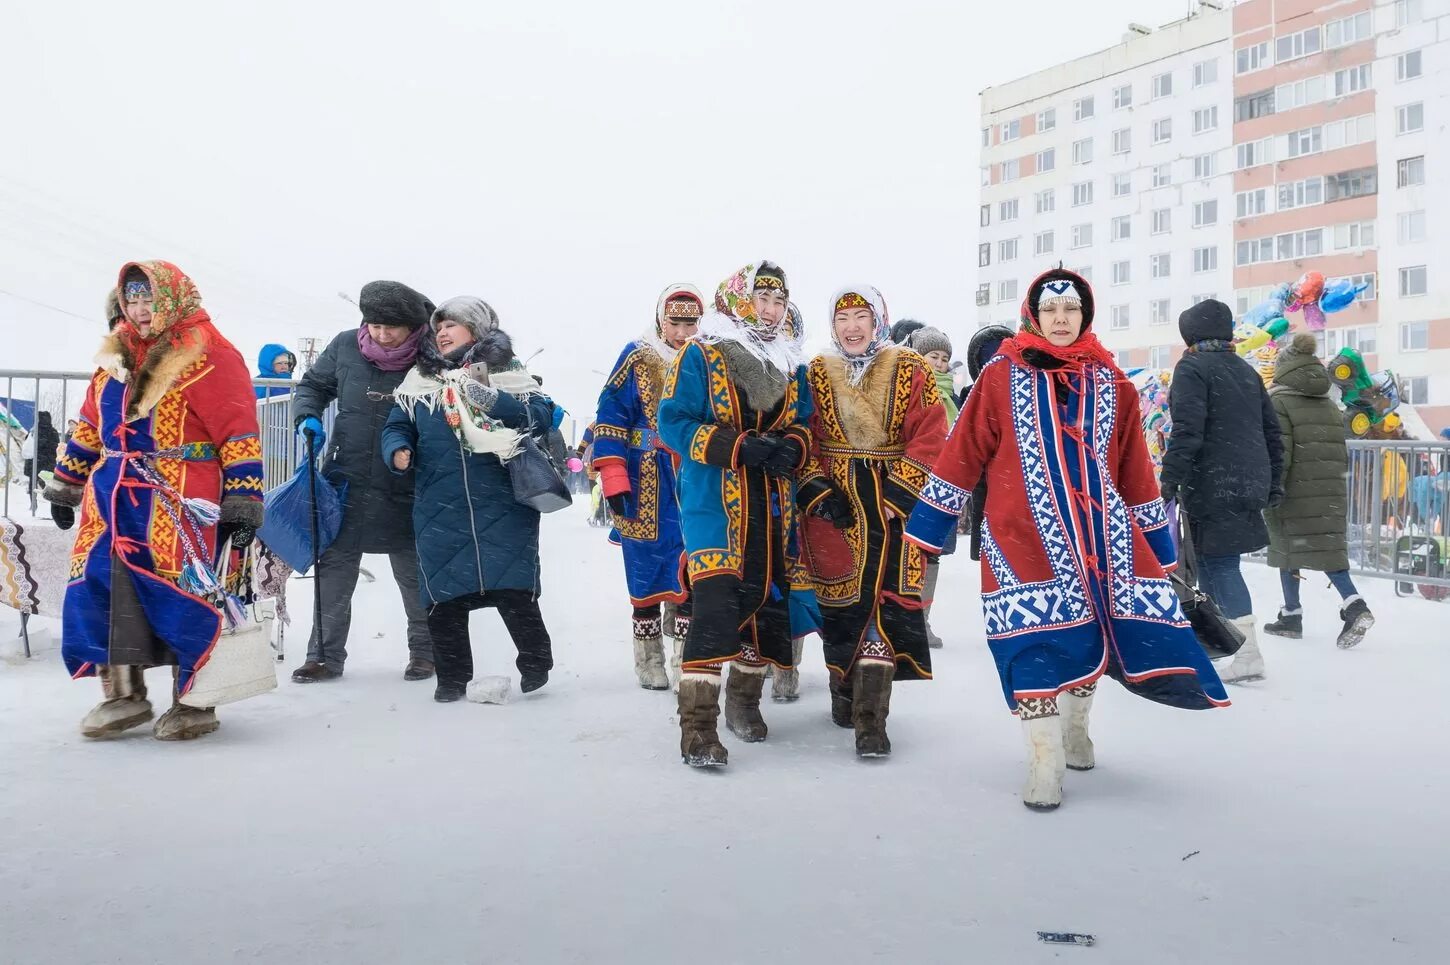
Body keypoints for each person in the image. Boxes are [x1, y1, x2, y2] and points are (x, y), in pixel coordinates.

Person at [905, 268, 1228, 810]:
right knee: (1030, 645)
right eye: (1050, 309)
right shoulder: (999, 378)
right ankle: (1044, 758)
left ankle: (1075, 731)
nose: (1060, 319)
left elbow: (1135, 472)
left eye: (1071, 309)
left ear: (1085, 315)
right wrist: (929, 529)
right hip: (1019, 540)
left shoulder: (1113, 384)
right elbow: (961, 455)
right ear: (1034, 314)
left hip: (1104, 542)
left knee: (1088, 638)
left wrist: (1160, 547)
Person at [43, 261, 264, 740]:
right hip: (113, 498)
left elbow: (238, 431)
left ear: (172, 298)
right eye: (133, 300)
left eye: (150, 300)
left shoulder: (211, 354)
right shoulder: (115, 356)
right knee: (106, 585)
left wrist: (244, 499)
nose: (141, 311)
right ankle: (123, 696)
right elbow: (88, 425)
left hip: (182, 495)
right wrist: (67, 481)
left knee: (187, 592)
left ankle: (196, 702)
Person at [657, 261, 814, 767]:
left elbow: (804, 422)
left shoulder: (791, 361)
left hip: (772, 507)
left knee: (766, 603)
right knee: (716, 604)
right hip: (715, 502)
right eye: (762, 300)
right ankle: (697, 728)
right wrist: (736, 446)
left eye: (779, 302)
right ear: (738, 301)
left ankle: (744, 702)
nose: (770, 311)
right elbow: (673, 422)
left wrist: (793, 446)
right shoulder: (701, 355)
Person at [381, 297, 557, 702]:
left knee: (514, 589)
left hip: (502, 500)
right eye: (438, 326)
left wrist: (497, 401)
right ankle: (452, 678)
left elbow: (540, 418)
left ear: (476, 330)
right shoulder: (419, 380)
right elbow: (397, 425)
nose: (441, 332)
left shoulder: (508, 373)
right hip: (439, 504)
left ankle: (535, 661)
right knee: (444, 598)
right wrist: (396, 450)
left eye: (452, 325)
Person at [797, 285, 946, 757]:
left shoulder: (911, 367)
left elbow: (931, 435)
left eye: (862, 315)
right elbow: (803, 434)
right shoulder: (814, 372)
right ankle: (844, 691)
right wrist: (818, 492)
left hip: (890, 504)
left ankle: (872, 719)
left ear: (878, 319)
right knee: (839, 605)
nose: (853, 326)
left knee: (884, 605)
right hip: (834, 504)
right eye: (843, 319)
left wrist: (899, 492)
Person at [289, 281, 436, 683]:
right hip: (346, 476)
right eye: (374, 325)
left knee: (415, 571)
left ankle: (426, 652)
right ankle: (323, 656)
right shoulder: (344, 346)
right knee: (334, 569)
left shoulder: (431, 357)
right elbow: (314, 386)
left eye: (392, 328)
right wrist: (307, 416)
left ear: (413, 326)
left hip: (408, 479)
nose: (382, 334)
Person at [1159, 299, 1283, 684]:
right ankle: (1223, 645)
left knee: (1221, 566)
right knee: (1213, 564)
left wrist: (1168, 478)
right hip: (1248, 479)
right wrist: (1273, 481)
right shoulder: (1245, 372)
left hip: (1214, 480)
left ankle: (1247, 655)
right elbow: (1272, 431)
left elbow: (1188, 431)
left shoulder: (1192, 368)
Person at [593, 284, 703, 691]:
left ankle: (685, 659)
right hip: (644, 481)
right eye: (675, 323)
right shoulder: (637, 355)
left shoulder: (706, 359)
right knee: (644, 575)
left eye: (690, 324)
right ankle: (648, 659)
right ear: (661, 319)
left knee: (692, 570)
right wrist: (614, 477)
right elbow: (610, 417)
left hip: (691, 478)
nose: (682, 333)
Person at [1261, 334, 1374, 648]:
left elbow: (1280, 452)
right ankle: (1335, 606)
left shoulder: (1279, 401)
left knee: (1288, 546)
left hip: (1294, 489)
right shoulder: (1328, 400)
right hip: (1330, 489)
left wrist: (1273, 487)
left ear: (1283, 369)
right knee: (1324, 548)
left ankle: (1301, 613)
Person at [905, 325, 958, 648]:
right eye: (932, 356)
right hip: (912, 483)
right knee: (907, 554)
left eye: (943, 358)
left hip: (942, 485)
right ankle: (904, 623)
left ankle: (922, 622)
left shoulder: (952, 396)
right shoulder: (907, 388)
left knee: (931, 555)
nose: (939, 364)